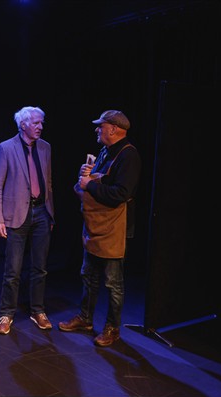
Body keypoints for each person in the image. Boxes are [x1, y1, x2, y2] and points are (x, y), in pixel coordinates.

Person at [58, 110, 141, 347]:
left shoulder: (129, 156)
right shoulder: (106, 151)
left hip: (115, 228)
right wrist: (87, 177)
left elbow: (120, 194)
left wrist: (90, 185)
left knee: (113, 283)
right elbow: (102, 181)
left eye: (101, 126)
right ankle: (85, 318)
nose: (97, 129)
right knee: (88, 275)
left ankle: (112, 329)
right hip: (97, 224)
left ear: (113, 129)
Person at [0, 106, 55, 335]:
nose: (40, 127)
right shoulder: (6, 148)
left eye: (41, 123)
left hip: (41, 213)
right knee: (13, 270)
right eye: (36, 123)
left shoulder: (45, 147)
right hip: (16, 214)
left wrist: (51, 213)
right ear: (23, 124)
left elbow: (48, 182)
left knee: (40, 268)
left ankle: (38, 311)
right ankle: (7, 313)